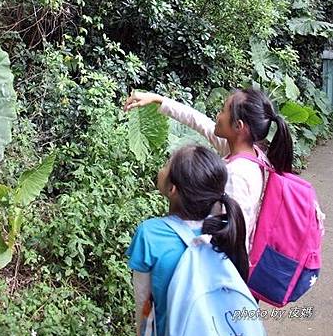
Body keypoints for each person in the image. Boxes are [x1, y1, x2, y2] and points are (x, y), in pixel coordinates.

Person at [124, 88, 294, 250]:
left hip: (227, 269)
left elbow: (235, 236)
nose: (217, 115)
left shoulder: (237, 175)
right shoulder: (249, 153)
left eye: (223, 110)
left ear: (238, 126)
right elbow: (199, 121)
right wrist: (157, 99)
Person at [126, 144, 249, 336]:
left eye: (167, 165)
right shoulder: (226, 229)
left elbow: (143, 301)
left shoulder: (150, 234)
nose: (161, 169)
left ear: (173, 189)